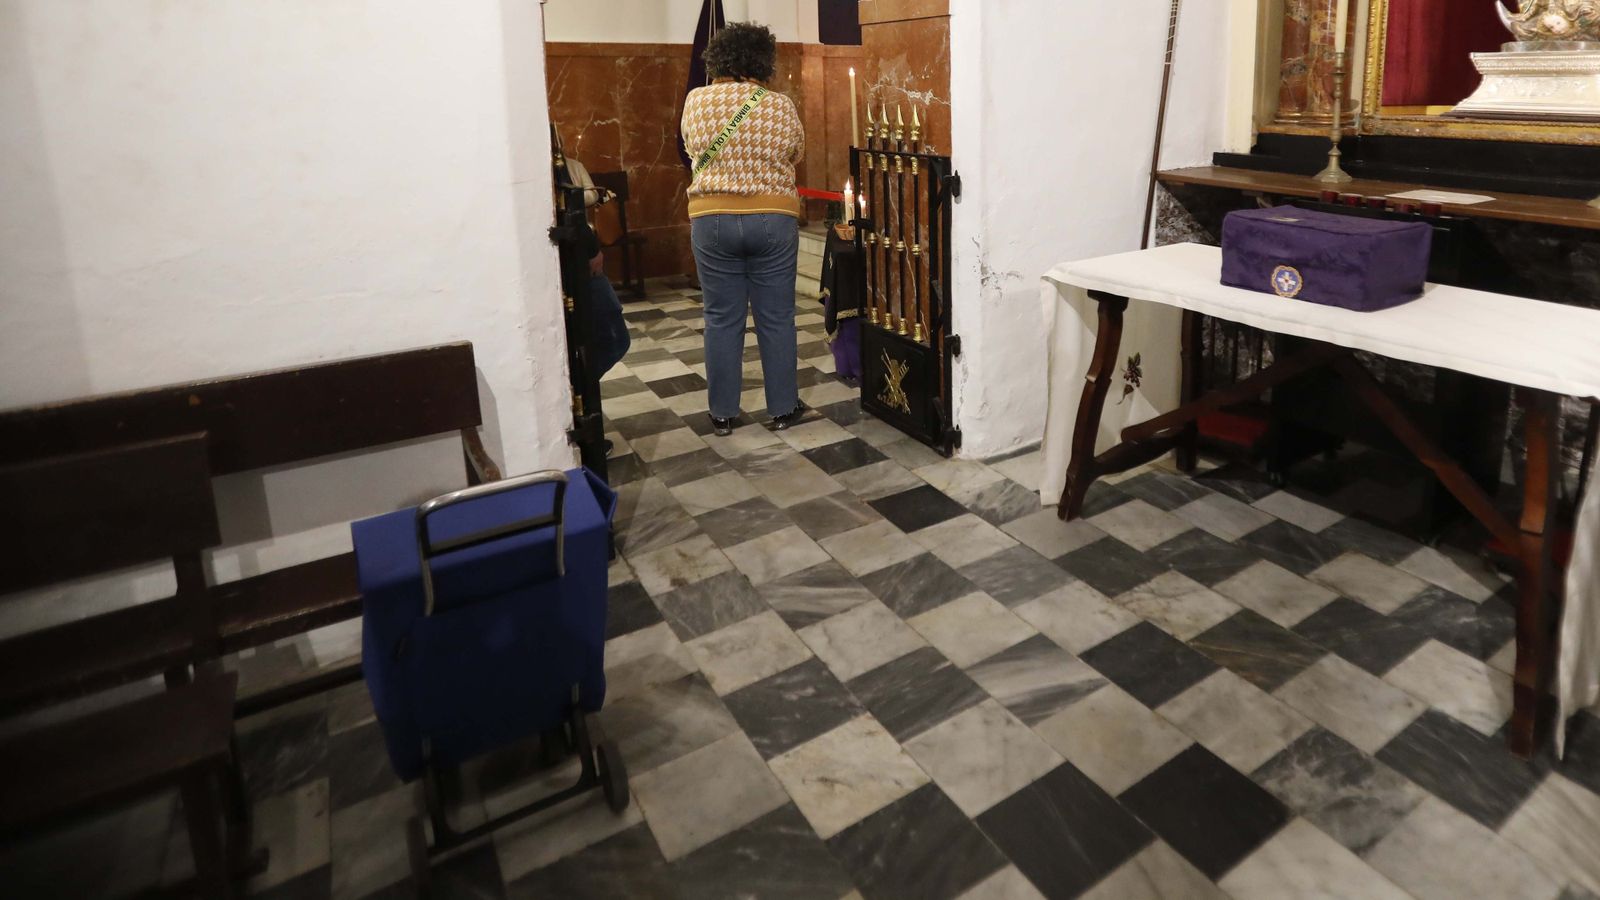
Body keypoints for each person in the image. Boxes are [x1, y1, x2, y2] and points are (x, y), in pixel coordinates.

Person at [680, 22, 806, 435]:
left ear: (717, 59)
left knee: (720, 318)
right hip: (773, 217)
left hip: (711, 218)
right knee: (777, 317)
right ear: (763, 61)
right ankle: (783, 409)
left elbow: (690, 148)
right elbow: (796, 151)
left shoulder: (696, 101)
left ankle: (722, 414)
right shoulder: (780, 105)